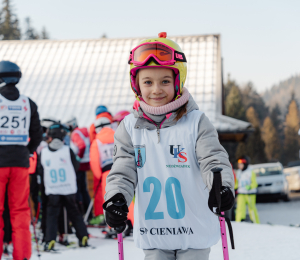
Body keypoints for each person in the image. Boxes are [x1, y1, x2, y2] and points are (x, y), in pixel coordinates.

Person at [103, 32, 235, 260]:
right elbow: (123, 170)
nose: (156, 90)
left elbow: (213, 159)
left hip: (194, 229)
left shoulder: (196, 122)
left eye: (165, 81)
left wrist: (221, 186)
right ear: (136, 84)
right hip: (154, 233)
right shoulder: (129, 127)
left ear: (177, 81)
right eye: (148, 82)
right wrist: (116, 198)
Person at [0, 60, 42, 260]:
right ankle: (22, 255)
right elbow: (37, 133)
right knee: (20, 210)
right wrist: (28, 150)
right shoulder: (28, 103)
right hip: (20, 162)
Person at [40, 123, 88, 251]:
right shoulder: (67, 150)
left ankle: (50, 240)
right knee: (74, 213)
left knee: (52, 215)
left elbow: (40, 170)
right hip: (68, 188)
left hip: (53, 189)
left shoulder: (44, 152)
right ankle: (83, 236)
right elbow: (76, 166)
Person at [89, 116, 114, 226]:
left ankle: (112, 225)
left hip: (106, 173)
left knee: (109, 198)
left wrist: (99, 176)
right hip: (122, 169)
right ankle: (130, 222)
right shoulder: (118, 136)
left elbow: (94, 161)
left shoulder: (97, 142)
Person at [66, 117, 91, 216]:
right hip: (85, 163)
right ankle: (87, 213)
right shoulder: (83, 132)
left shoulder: (75, 133)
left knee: (78, 189)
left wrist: (78, 158)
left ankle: (82, 213)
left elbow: (81, 146)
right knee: (83, 189)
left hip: (80, 164)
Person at [235, 157, 260, 223]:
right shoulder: (239, 172)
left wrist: (250, 187)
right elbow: (237, 182)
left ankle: (255, 222)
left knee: (251, 209)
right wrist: (234, 189)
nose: (239, 166)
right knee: (240, 209)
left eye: (241, 164)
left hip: (250, 194)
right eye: (238, 164)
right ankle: (239, 222)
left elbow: (254, 183)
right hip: (241, 193)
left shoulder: (250, 172)